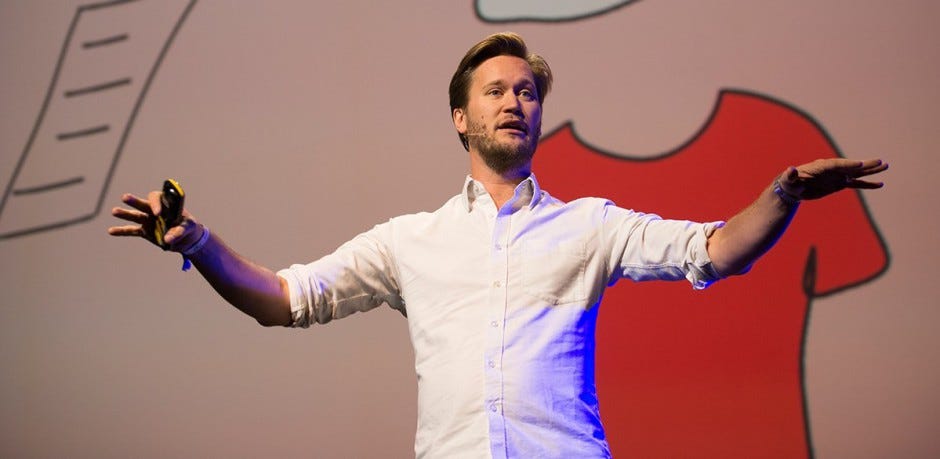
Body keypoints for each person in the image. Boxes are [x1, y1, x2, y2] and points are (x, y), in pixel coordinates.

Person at [109, 32, 888, 458]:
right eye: (497, 89)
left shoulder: (591, 224)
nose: (516, 100)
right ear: (460, 117)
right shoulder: (411, 240)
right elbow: (283, 301)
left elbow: (716, 251)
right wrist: (197, 241)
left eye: (528, 92)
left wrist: (783, 191)